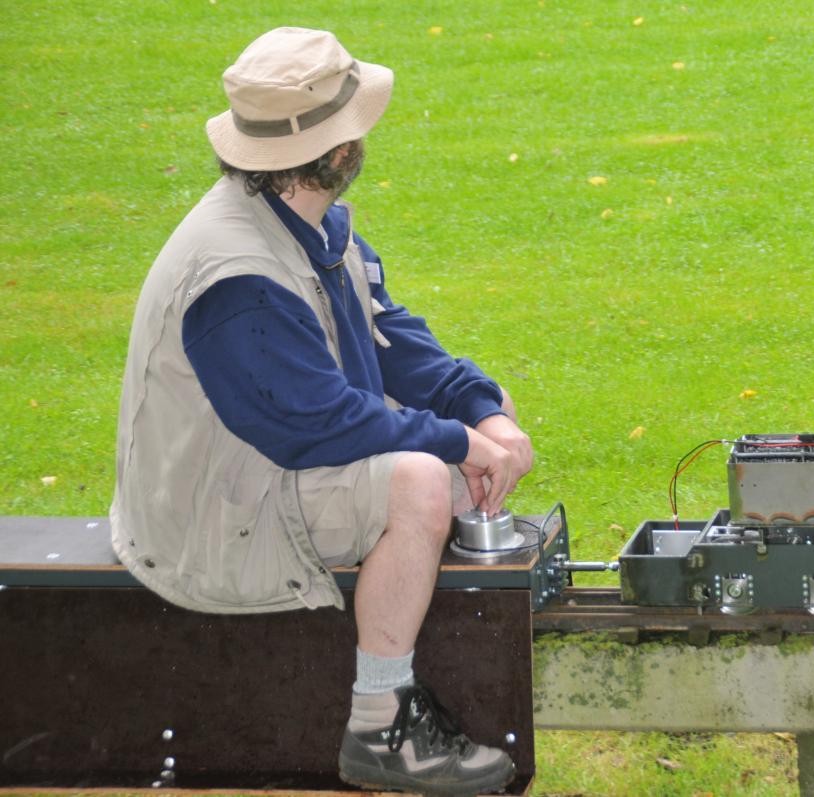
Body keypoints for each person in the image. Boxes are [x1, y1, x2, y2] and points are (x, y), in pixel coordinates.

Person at [109, 27, 532, 795]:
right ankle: (381, 727)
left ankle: (411, 626)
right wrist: (456, 443)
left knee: (473, 426)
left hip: (258, 466)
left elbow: (390, 335)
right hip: (204, 525)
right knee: (421, 481)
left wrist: (482, 411)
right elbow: (318, 424)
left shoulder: (301, 217)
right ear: (337, 152)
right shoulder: (237, 279)